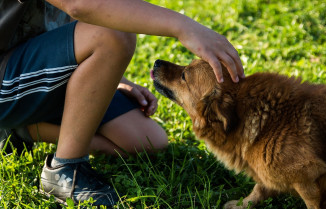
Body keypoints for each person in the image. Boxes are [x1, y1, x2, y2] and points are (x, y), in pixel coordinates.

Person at [0, 0, 245, 207]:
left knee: (145, 140)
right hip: (5, 74)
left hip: (35, 64)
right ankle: (65, 170)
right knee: (114, 34)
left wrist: (108, 75)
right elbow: (80, 5)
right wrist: (184, 27)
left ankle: (21, 130)